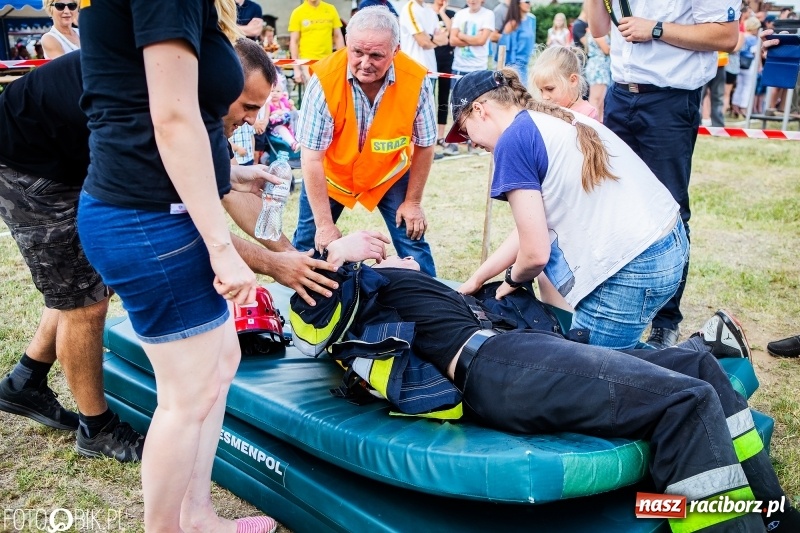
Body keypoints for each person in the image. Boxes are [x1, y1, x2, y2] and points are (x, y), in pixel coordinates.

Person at [291, 254, 800, 533]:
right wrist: (338, 260)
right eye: (371, 242)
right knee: (686, 402)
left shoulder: (430, 286)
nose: (384, 244)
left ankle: (773, 515)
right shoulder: (360, 288)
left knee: (697, 363)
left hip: (524, 348)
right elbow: (312, 314)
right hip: (496, 366)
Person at [76, 1, 279, 529]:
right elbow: (170, 117)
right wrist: (221, 246)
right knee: (187, 394)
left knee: (221, 362)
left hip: (153, 212)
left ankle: (196, 515)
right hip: (148, 219)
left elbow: (158, 106)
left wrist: (228, 173)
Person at [448, 69, 688, 350]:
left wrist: (513, 278)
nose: (471, 143)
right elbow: (529, 230)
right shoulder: (551, 118)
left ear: (479, 109)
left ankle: (707, 367)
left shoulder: (513, 141)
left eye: (465, 131)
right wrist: (478, 278)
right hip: (667, 243)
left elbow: (535, 253)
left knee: (591, 377)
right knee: (624, 362)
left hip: (630, 267)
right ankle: (707, 354)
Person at [0, 52, 144, 463]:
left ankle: (25, 381)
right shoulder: (150, 70)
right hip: (26, 167)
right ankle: (96, 430)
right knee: (85, 303)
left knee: (83, 282)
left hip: (52, 156)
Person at [585, 0, 739, 349]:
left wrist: (656, 28)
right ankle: (614, 300)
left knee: (669, 212)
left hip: (671, 101)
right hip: (621, 95)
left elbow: (727, 36)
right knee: (611, 204)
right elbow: (598, 29)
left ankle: (666, 320)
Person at [291, 6, 439, 277]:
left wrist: (413, 202)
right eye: (357, 52)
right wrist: (324, 224)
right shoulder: (323, 80)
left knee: (412, 240)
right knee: (307, 246)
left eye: (376, 55)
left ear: (395, 51)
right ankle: (301, 309)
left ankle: (435, 305)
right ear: (347, 43)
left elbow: (426, 145)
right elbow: (311, 158)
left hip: (388, 173)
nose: (364, 62)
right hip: (331, 176)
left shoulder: (417, 80)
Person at [529, 45, 598, 120]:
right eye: (541, 90)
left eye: (550, 89)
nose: (544, 97)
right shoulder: (547, 110)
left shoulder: (587, 114)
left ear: (573, 80)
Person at [288, 0, 345, 89]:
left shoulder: (331, 9)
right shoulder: (298, 12)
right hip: (307, 63)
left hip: (328, 62)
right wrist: (296, 69)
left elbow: (338, 37)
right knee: (312, 94)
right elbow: (294, 42)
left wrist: (343, 62)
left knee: (329, 94)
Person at [427, 0, 458, 157]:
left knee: (444, 97)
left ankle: (441, 135)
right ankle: (429, 135)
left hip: (447, 59)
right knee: (430, 98)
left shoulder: (450, 14)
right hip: (431, 60)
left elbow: (451, 33)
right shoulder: (427, 13)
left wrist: (442, 13)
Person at [399, 0, 449, 75]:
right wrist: (435, 41)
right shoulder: (409, 8)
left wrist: (430, 37)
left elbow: (444, 40)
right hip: (413, 70)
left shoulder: (430, 11)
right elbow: (424, 43)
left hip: (431, 70)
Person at [449, 0, 495, 78]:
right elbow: (452, 41)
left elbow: (481, 41)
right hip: (459, 66)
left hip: (479, 67)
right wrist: (475, 40)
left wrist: (461, 35)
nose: (472, 1)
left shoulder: (488, 14)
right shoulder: (460, 14)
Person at [265, 77, 299, 152]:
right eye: (272, 91)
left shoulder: (283, 102)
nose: (275, 93)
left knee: (295, 125)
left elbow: (295, 112)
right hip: (274, 128)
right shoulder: (268, 104)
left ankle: (300, 141)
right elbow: (268, 117)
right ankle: (293, 144)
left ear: (282, 93)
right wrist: (274, 113)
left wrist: (292, 106)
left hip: (287, 125)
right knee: (281, 129)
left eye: (278, 91)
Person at [584, 28, 611, 121]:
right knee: (596, 99)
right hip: (599, 68)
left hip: (598, 66)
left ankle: (599, 123)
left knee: (600, 101)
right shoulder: (598, 33)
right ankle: (592, 125)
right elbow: (606, 50)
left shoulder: (595, 32)